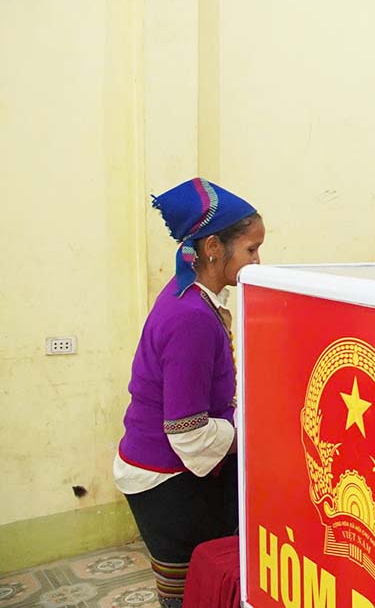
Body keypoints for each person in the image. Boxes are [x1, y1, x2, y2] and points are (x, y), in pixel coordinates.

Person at [113, 178, 265, 608]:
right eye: (251, 250)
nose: (258, 260)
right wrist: (252, 433)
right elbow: (188, 432)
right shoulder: (191, 319)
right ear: (214, 247)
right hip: (164, 477)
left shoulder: (192, 299)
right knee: (191, 593)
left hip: (161, 466)